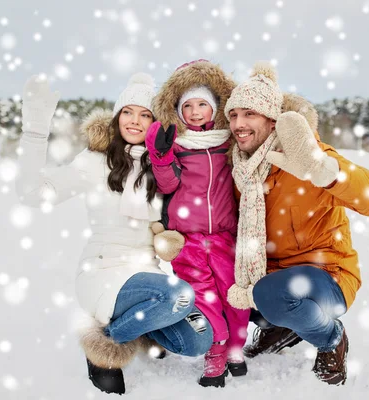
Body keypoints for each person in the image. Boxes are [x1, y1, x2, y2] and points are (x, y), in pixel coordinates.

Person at [15, 73, 213, 395]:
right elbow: (32, 194)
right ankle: (106, 341)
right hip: (104, 269)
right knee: (178, 295)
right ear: (117, 116)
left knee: (198, 340)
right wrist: (35, 132)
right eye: (128, 112)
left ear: (155, 122)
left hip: (148, 272)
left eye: (145, 114)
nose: (135, 121)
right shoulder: (95, 162)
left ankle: (140, 324)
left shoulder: (162, 169)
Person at [224, 62, 369, 385]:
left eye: (249, 114)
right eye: (233, 115)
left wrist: (329, 174)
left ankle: (332, 339)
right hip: (273, 279)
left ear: (272, 119)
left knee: (270, 293)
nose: (239, 123)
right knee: (225, 284)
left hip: (327, 278)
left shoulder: (309, 157)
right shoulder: (242, 173)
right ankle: (278, 325)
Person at [144, 60, 250, 388]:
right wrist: (160, 157)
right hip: (187, 237)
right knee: (203, 297)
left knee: (234, 295)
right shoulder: (176, 143)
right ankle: (216, 351)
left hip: (224, 234)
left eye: (202, 104)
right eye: (187, 105)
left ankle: (235, 348)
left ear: (214, 108)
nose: (194, 111)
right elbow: (166, 185)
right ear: (178, 110)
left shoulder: (227, 142)